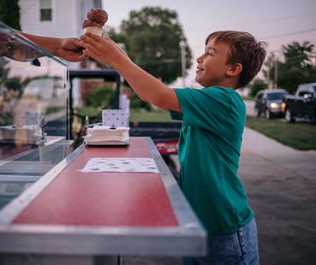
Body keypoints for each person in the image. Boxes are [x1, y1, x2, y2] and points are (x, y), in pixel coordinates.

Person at [80, 30, 266, 264]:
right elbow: (151, 93)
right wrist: (116, 52)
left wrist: (116, 58)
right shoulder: (206, 100)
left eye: (209, 53)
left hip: (226, 230)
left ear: (233, 69)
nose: (199, 59)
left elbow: (158, 95)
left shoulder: (225, 100)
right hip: (199, 224)